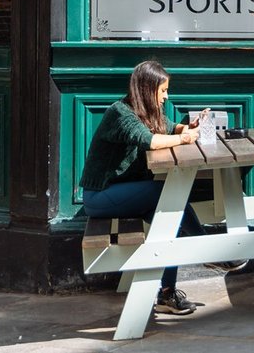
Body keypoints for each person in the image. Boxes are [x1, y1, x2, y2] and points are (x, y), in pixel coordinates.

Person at [78, 60, 205, 316]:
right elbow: (148, 140)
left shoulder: (148, 113)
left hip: (128, 194)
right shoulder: (120, 113)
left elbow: (169, 128)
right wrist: (183, 138)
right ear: (148, 90)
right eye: (163, 91)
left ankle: (167, 295)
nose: (166, 97)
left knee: (171, 222)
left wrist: (188, 127)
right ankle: (207, 246)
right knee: (164, 193)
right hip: (101, 195)